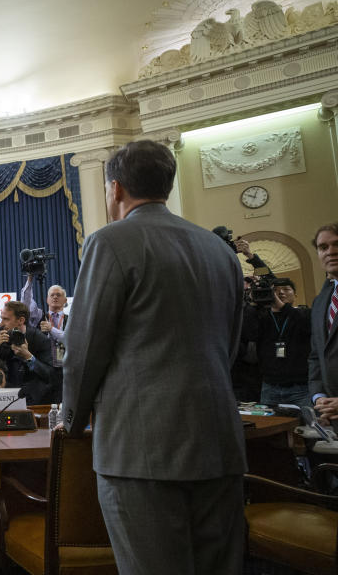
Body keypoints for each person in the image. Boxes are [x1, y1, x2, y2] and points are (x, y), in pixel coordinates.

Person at [61, 140, 246, 575]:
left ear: (116, 188)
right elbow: (230, 345)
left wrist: (71, 421)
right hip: (219, 441)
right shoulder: (220, 250)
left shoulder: (109, 242)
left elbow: (84, 350)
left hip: (140, 451)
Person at [241, 277, 312, 407]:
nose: (280, 293)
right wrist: (253, 304)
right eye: (275, 290)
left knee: (307, 425)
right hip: (270, 387)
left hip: (301, 388)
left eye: (286, 289)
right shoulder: (262, 317)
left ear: (295, 295)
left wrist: (280, 306)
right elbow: (249, 333)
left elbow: (306, 325)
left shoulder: (305, 313)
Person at [0, 300, 56, 405]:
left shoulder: (39, 339)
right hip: (2, 397)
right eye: (2, 318)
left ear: (21, 320)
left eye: (6, 319)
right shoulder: (0, 332)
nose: (1, 323)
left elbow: (50, 375)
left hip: (33, 399)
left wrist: (29, 357)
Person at [309, 222, 338, 422]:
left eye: (337, 244)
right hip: (331, 414)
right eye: (323, 247)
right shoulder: (320, 301)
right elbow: (316, 356)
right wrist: (319, 397)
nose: (330, 252)